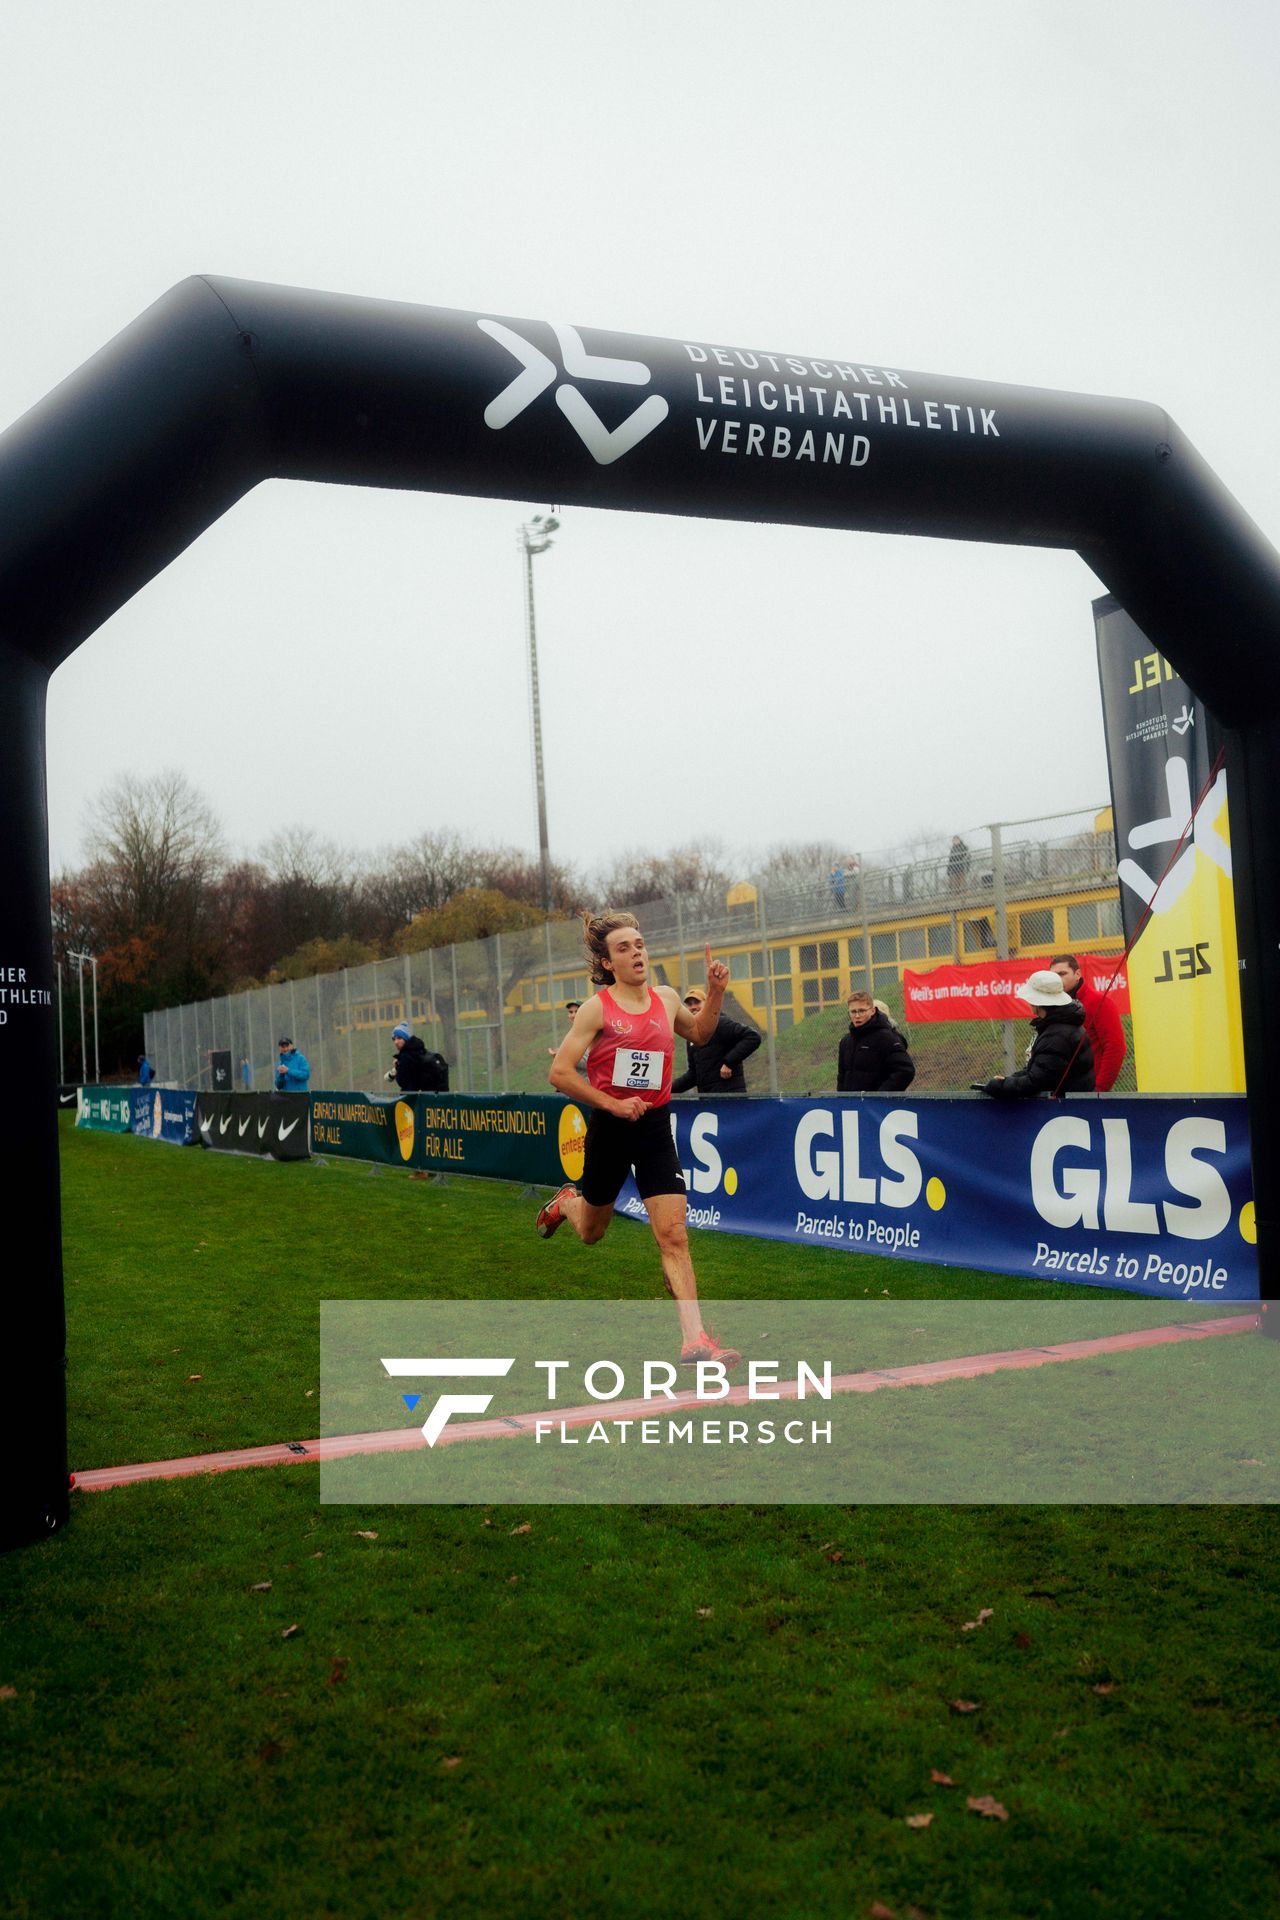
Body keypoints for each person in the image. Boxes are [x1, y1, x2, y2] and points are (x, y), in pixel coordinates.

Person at [536, 910, 740, 1369]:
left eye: (640, 944)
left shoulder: (666, 999)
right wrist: (611, 1104)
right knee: (592, 1232)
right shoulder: (596, 1008)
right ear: (608, 963)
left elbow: (703, 1034)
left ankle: (695, 1340)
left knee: (672, 1233)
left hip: (653, 1128)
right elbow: (560, 1072)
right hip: (610, 1129)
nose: (636, 953)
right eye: (624, 948)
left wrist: (716, 992)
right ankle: (569, 1202)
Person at [974, 970, 1094, 1098]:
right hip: (1070, 1108)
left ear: (1037, 1002)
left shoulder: (1056, 1035)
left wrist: (1000, 1086)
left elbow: (1038, 1082)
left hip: (1062, 1110)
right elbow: (1039, 1070)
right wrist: (1009, 1079)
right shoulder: (1061, 1028)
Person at [1050, 953, 1126, 1092]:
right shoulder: (1054, 1007)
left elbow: (1115, 1048)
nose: (1058, 980)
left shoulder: (1100, 1002)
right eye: (1053, 976)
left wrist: (1099, 1090)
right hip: (1061, 1092)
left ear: (1077, 973)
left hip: (1088, 1093)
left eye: (1062, 974)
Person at [671, 985, 761, 1095]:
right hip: (708, 1101)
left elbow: (752, 1037)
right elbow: (693, 1075)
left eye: (697, 1002)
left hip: (731, 1099)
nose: (693, 1007)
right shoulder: (691, 1036)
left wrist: (729, 1063)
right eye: (689, 1004)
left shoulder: (721, 1023)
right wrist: (668, 1089)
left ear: (707, 1004)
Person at [837, 992, 916, 1092]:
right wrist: (841, 1100)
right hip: (851, 1105)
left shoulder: (886, 1038)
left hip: (878, 1105)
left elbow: (905, 1070)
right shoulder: (845, 1042)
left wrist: (880, 1097)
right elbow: (842, 1076)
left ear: (872, 1011)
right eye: (853, 1012)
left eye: (862, 1011)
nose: (857, 1016)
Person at [386, 1021, 449, 1092]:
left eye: (399, 1038)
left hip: (413, 1099)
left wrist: (397, 1066)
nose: (396, 1042)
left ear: (406, 1039)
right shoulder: (420, 1051)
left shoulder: (406, 1056)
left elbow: (403, 1082)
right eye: (394, 1039)